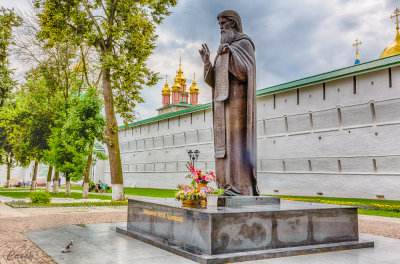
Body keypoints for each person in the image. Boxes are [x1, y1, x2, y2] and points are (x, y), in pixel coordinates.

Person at [199, 10, 259, 196]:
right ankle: (224, 186)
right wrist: (208, 62)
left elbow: (244, 72)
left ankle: (240, 188)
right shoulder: (223, 48)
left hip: (238, 104)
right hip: (222, 106)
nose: (221, 28)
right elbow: (214, 81)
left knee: (235, 144)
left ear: (233, 23)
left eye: (223, 24)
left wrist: (229, 54)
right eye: (219, 25)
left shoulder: (244, 43)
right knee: (224, 146)